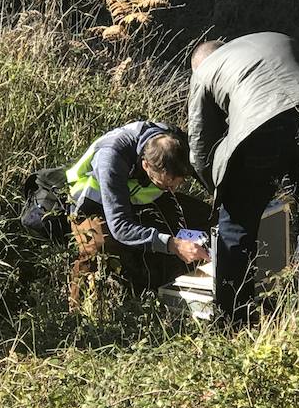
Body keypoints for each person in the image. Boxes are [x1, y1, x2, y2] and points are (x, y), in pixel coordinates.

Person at [188, 31, 299, 325]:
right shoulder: (279, 39)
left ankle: (233, 319)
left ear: (200, 65)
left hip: (260, 131)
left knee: (235, 227)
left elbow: (201, 147)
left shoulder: (205, 72)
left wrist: (218, 193)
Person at [65, 120, 210, 307]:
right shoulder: (112, 157)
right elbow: (120, 227)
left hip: (138, 198)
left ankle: (172, 288)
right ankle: (80, 314)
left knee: (203, 215)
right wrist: (172, 245)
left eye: (178, 184)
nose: (173, 190)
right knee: (97, 248)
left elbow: (208, 179)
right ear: (146, 165)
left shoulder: (178, 146)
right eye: (166, 185)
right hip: (95, 202)